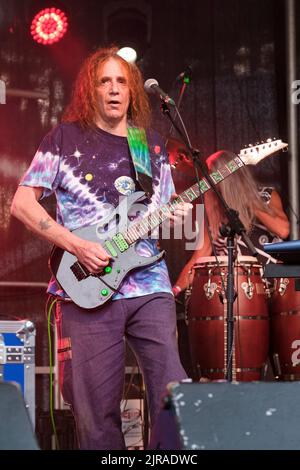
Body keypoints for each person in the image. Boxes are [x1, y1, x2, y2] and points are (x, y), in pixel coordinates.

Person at [10, 46, 192, 450]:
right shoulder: (64, 138)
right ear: (90, 90)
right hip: (86, 287)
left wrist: (174, 217)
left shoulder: (152, 148)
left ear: (132, 91)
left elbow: (158, 211)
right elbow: (21, 203)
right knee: (96, 413)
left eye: (121, 81)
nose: (113, 89)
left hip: (149, 285)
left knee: (174, 394)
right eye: (104, 81)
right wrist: (76, 244)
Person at [173, 149, 290, 296]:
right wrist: (174, 290)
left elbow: (283, 230)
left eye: (211, 173)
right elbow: (197, 260)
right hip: (235, 293)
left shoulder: (265, 195)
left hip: (273, 287)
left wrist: (244, 196)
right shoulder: (214, 213)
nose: (207, 178)